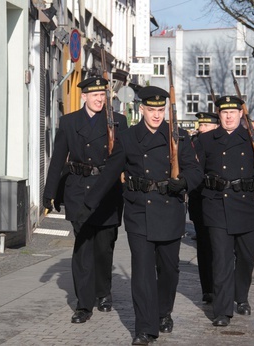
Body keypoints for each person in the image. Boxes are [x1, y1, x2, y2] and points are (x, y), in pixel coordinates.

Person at [75, 86, 203, 345]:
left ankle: (163, 311)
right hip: (139, 211)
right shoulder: (130, 137)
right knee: (142, 272)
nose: (157, 115)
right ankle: (144, 328)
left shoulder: (177, 135)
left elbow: (195, 170)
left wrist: (184, 182)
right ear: (141, 109)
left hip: (170, 209)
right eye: (152, 110)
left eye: (161, 110)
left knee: (169, 270)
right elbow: (111, 170)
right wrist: (88, 202)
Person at [42, 76, 128, 324]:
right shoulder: (69, 122)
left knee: (104, 247)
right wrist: (50, 192)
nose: (99, 99)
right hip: (78, 191)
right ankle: (83, 304)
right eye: (94, 95)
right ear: (84, 97)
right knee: (83, 247)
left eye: (103, 95)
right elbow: (58, 158)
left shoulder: (118, 122)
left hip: (108, 193)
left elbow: (126, 157)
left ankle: (103, 292)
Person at [193, 96, 254, 327]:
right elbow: (195, 170)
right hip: (216, 203)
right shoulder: (206, 140)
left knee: (247, 257)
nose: (229, 116)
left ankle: (242, 297)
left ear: (241, 114)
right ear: (218, 115)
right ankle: (222, 310)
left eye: (233, 112)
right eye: (224, 112)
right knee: (221, 259)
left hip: (245, 205)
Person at [188, 111, 219, 304]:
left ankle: (220, 285)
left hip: (217, 201)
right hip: (199, 200)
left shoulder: (220, 143)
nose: (201, 128)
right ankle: (208, 288)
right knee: (204, 247)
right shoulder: (194, 144)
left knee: (220, 247)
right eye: (200, 125)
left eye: (206, 125)